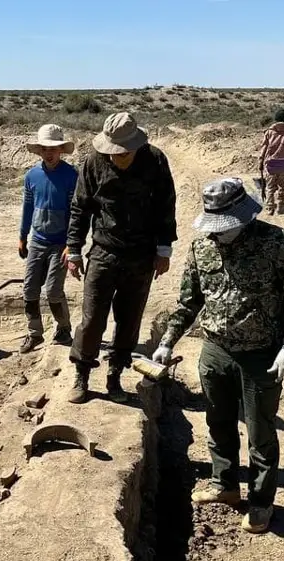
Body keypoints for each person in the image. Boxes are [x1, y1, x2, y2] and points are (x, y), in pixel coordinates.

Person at [154, 177, 284, 534]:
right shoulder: (201, 247)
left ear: (245, 216)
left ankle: (260, 503)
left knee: (260, 433)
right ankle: (224, 485)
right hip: (215, 351)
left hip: (261, 355)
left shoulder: (280, 244)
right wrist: (167, 341)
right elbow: (189, 302)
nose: (218, 234)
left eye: (225, 227)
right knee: (218, 422)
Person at [64, 112, 177, 403]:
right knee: (91, 320)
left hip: (141, 255)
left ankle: (115, 375)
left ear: (136, 146)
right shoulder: (93, 161)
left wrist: (164, 249)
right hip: (103, 252)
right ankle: (82, 374)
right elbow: (81, 207)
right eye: (113, 152)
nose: (118, 157)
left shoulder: (155, 161)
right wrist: (74, 250)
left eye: (124, 153)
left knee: (129, 320)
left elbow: (166, 205)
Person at [18, 124, 79, 353]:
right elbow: (27, 206)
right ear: (39, 150)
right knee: (29, 289)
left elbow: (77, 213)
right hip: (37, 240)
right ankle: (34, 333)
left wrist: (71, 244)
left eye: (53, 148)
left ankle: (63, 329)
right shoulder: (32, 175)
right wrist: (22, 236)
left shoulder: (71, 176)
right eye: (44, 148)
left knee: (53, 290)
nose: (49, 152)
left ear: (61, 149)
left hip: (61, 243)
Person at [258, 109, 284, 216]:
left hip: (271, 164)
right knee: (283, 186)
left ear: (275, 118)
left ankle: (270, 208)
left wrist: (260, 160)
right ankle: (280, 206)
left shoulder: (269, 132)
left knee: (270, 187)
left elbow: (264, 148)